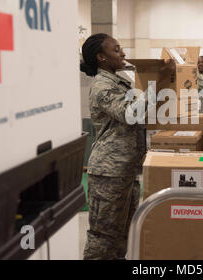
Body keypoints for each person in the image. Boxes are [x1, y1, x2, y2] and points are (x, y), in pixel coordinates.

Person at [80, 33, 173, 260]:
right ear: (101, 57)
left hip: (125, 170)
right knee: (103, 238)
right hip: (108, 172)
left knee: (122, 236)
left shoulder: (119, 80)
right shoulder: (102, 86)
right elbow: (130, 113)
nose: (122, 53)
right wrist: (156, 81)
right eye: (116, 49)